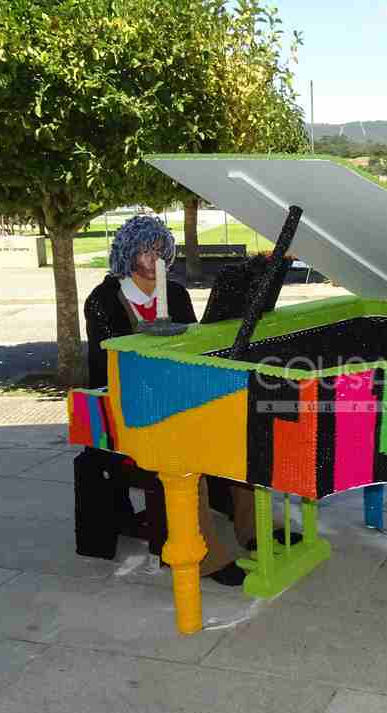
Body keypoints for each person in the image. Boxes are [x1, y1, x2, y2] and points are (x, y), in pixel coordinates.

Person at [82, 214, 254, 585]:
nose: (155, 258)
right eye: (145, 250)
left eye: (161, 249)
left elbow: (194, 350)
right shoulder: (103, 301)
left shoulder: (174, 294)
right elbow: (106, 365)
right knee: (187, 459)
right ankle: (206, 556)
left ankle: (252, 529)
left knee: (239, 435)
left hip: (177, 397)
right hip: (129, 409)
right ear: (128, 255)